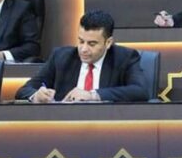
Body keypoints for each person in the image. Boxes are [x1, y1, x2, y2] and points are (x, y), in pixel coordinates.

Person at [16, 10, 147, 102]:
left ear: (108, 43)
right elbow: (24, 90)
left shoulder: (125, 58)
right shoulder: (61, 57)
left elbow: (140, 91)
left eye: (92, 44)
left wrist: (92, 95)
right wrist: (36, 96)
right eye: (81, 41)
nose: (84, 49)